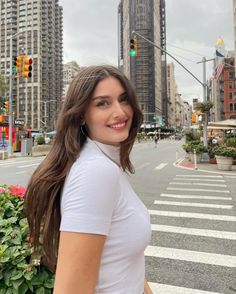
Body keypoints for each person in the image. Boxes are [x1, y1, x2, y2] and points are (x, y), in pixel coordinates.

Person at [25, 65, 153, 294]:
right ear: (82, 114)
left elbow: (123, 264)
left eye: (123, 100)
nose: (120, 112)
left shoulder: (104, 163)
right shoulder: (96, 171)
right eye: (103, 103)